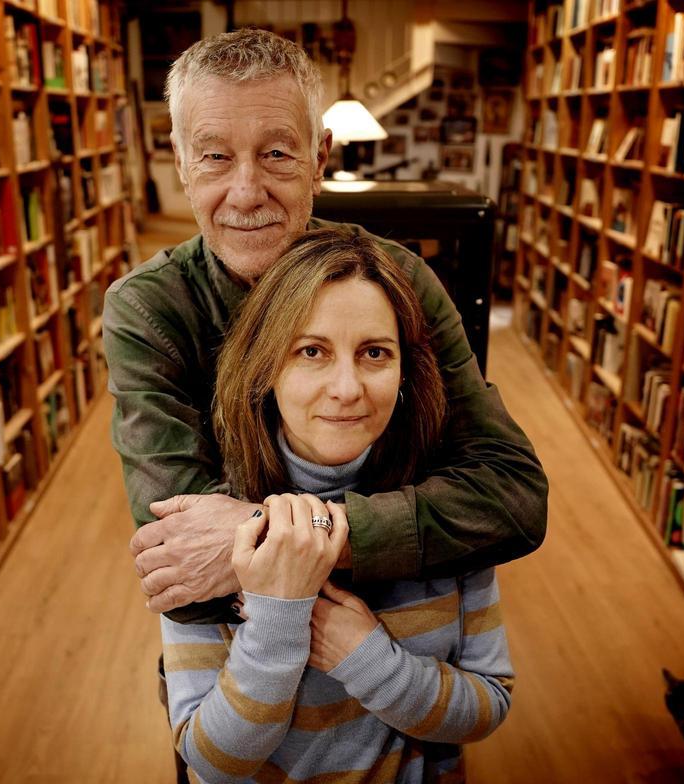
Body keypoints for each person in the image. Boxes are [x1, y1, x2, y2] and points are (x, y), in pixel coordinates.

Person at [104, 28, 547, 624]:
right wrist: (387, 536)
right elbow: (185, 575)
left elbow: (514, 497)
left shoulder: (399, 281)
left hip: (411, 635)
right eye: (214, 156)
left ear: (319, 161)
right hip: (237, 674)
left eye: (277, 154)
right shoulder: (149, 309)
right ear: (183, 165)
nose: (246, 191)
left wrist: (298, 534)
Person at [164, 227, 514, 782]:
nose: (347, 388)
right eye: (311, 352)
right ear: (265, 369)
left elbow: (490, 702)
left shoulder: (449, 507)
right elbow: (211, 762)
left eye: (375, 352)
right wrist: (279, 623)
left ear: (404, 373)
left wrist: (367, 657)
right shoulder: (210, 521)